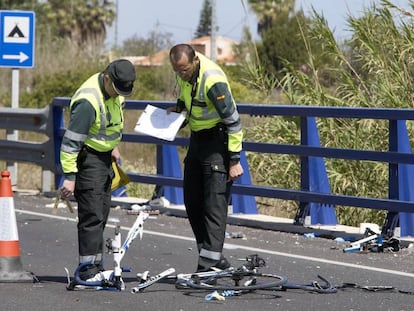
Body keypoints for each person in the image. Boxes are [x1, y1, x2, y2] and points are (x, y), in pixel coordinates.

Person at [169, 44, 244, 272]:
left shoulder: (212, 80)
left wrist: (234, 160)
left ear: (195, 61)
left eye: (184, 69)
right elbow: (187, 103)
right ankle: (212, 258)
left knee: (214, 204)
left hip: (217, 144)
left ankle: (208, 266)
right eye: (176, 70)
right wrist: (174, 115)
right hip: (197, 141)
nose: (181, 74)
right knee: (192, 201)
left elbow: (234, 122)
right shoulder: (184, 74)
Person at [59, 59, 136, 281]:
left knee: (101, 212)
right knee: (91, 214)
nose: (119, 94)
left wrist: (113, 147)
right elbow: (70, 143)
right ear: (106, 77)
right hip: (88, 158)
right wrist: (70, 178)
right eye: (117, 88)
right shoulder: (88, 101)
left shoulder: (116, 92)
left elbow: (110, 123)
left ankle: (96, 265)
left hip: (104, 158)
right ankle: (87, 270)